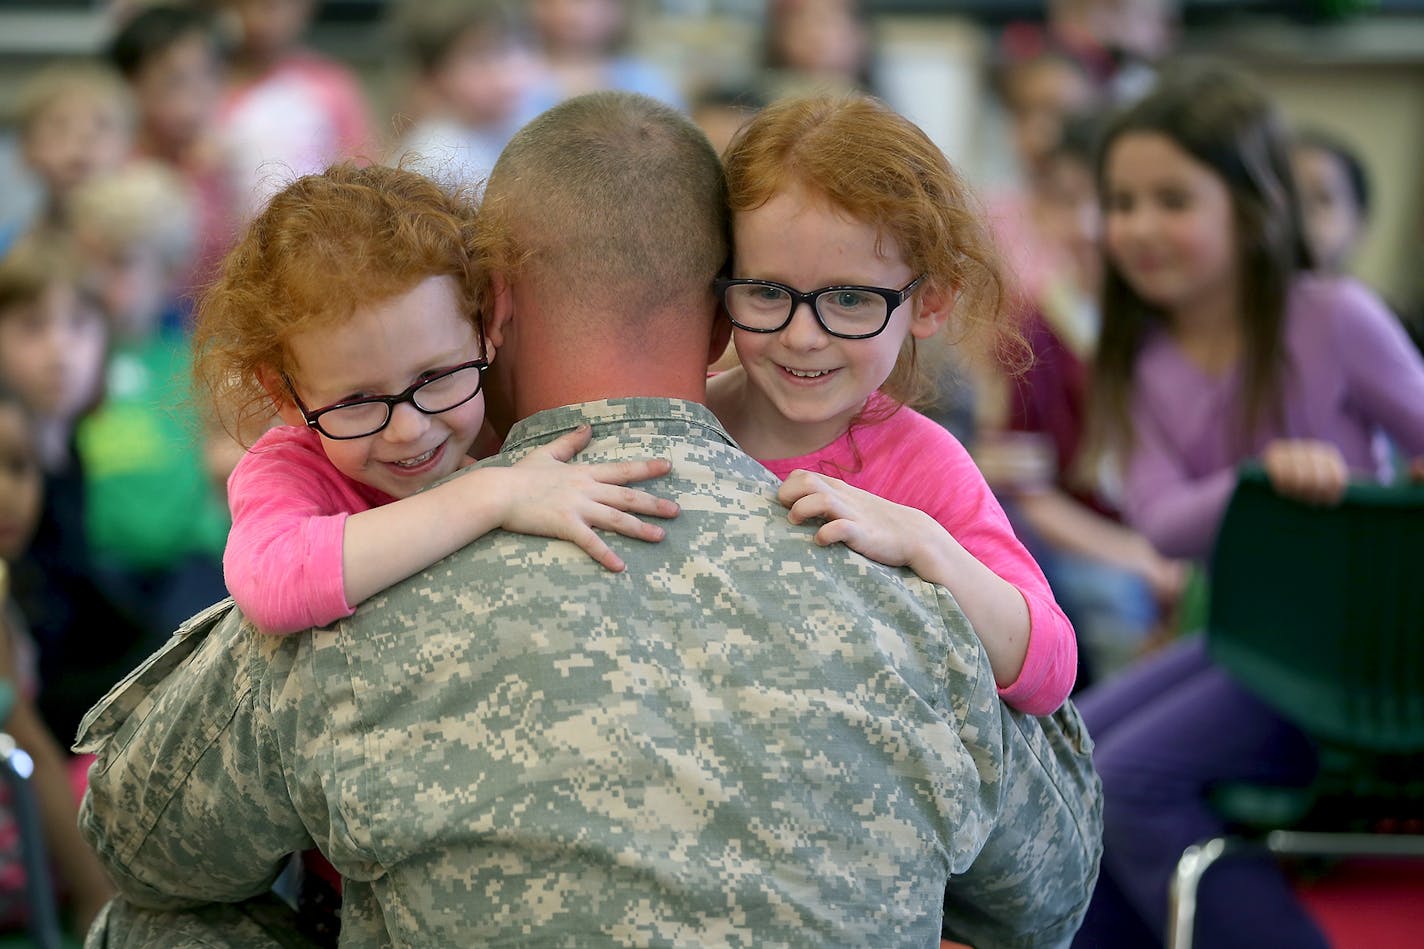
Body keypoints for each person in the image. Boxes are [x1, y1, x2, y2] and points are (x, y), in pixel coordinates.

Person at [78, 91, 1101, 947]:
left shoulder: (362, 579)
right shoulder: (902, 563)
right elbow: (1049, 894)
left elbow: (132, 835)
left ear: (494, 307)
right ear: (720, 319)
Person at [1072, 63, 1424, 949]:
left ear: (1255, 207)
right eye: (1122, 201)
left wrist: (1378, 489)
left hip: (1355, 666)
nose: (1140, 227)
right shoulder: (1142, 359)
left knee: (1129, 779)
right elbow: (1160, 521)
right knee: (1065, 758)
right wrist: (1261, 477)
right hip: (1250, 644)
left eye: (1171, 199)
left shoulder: (1335, 315)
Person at [705, 92, 1078, 716]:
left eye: (850, 300)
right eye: (768, 292)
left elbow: (1050, 669)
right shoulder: (678, 423)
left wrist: (928, 543)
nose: (804, 336)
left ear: (928, 303)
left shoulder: (923, 466)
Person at [194, 162, 677, 639]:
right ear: (285, 393)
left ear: (487, 322)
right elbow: (271, 583)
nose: (407, 429)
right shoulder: (290, 470)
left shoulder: (516, 409)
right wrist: (491, 495)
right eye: (357, 400)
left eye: (434, 376)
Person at [977, 113, 1187, 685]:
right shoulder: (1035, 334)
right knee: (1113, 604)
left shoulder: (1180, 323)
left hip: (1180, 540)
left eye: (1111, 203)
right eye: (1066, 201)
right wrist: (1137, 557)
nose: (1088, 225)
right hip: (1098, 553)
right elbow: (1030, 493)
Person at [0, 233, 153, 744]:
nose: (60, 350)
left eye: (80, 326)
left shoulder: (68, 453)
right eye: (31, 327)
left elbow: (82, 596)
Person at [69, 162, 231, 638]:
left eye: (120, 263)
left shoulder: (197, 358)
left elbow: (224, 447)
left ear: (166, 273)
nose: (98, 280)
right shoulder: (67, 358)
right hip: (100, 566)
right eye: (89, 260)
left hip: (190, 557)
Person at [0, 386, 114, 939]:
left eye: (19, 467)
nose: (6, 493)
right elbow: (32, 757)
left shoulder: (13, 588)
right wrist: (96, 896)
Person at [108, 3, 237, 308]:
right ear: (131, 84)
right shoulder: (116, 169)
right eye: (174, 79)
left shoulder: (228, 163)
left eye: (208, 75)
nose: (195, 95)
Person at [216, 0, 375, 220]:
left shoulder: (331, 85)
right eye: (248, 4)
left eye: (274, 6)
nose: (261, 17)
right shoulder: (213, 84)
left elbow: (363, 171)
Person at [385, 0, 541, 191]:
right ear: (434, 75)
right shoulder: (430, 159)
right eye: (480, 58)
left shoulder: (529, 127)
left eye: (514, 49)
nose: (505, 73)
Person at [5, 59, 134, 255]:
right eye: (60, 126)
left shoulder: (143, 248)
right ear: (26, 148)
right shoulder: (10, 249)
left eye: (102, 125)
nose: (83, 138)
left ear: (129, 147)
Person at [1290, 128, 1371, 278]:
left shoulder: (1362, 301)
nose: (1300, 210)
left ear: (1358, 225)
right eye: (1289, 194)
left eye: (1322, 198)